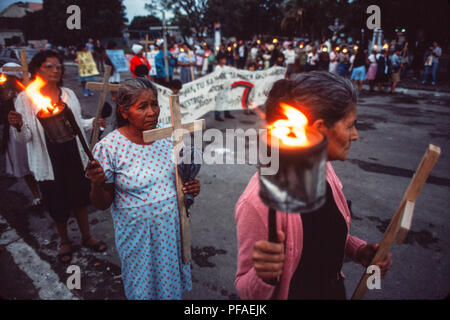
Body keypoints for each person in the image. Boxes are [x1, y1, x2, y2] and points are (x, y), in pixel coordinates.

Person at [235, 71, 393, 300]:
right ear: (319, 130)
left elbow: (319, 234)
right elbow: (246, 291)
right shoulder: (258, 201)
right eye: (350, 126)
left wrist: (357, 249)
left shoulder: (325, 170)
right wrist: (263, 275)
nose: (355, 135)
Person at [86, 78, 200, 299]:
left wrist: (190, 187)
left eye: (154, 104)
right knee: (143, 287)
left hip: (170, 231)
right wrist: (97, 183)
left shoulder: (168, 138)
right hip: (138, 237)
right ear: (124, 111)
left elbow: (178, 180)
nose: (152, 112)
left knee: (170, 285)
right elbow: (101, 204)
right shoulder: (109, 147)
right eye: (142, 106)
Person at [9, 50, 107, 264]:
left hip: (72, 154)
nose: (56, 70)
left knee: (80, 197)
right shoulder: (25, 99)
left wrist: (93, 123)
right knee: (56, 201)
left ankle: (87, 236)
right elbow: (24, 137)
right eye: (49, 66)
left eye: (58, 67)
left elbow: (77, 123)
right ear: (37, 69)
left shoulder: (68, 94)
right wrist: (17, 125)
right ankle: (64, 241)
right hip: (48, 160)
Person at [0, 63, 42, 209]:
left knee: (39, 162)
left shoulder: (30, 92)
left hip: (33, 132)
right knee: (24, 166)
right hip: (15, 136)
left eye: (9, 78)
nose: (5, 81)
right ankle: (37, 195)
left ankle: (49, 191)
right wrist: (5, 99)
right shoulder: (4, 95)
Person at [214, 56, 235, 121]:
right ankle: (217, 115)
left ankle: (227, 113)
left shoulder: (225, 67)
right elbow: (219, 76)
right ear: (220, 60)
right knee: (220, 101)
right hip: (220, 87)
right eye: (224, 58)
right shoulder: (217, 68)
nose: (225, 60)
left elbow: (232, 71)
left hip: (227, 87)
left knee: (227, 99)